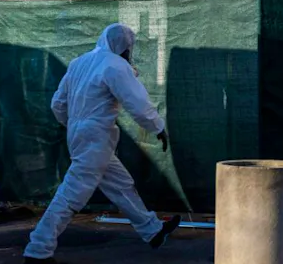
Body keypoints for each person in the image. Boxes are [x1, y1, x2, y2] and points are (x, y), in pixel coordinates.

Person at [24, 24, 181, 263]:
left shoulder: (80, 62)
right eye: (129, 47)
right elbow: (137, 102)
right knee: (71, 194)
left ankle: (153, 230)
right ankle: (38, 249)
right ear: (125, 46)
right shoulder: (116, 66)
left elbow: (58, 103)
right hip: (97, 135)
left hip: (79, 133)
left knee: (121, 184)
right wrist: (157, 127)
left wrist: (75, 124)